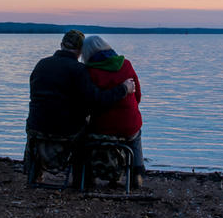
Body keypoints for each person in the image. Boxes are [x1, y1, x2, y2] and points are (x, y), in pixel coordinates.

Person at [24, 30, 135, 180]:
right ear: (81, 50)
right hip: (66, 131)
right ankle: (81, 180)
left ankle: (34, 174)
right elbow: (96, 99)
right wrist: (124, 89)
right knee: (86, 133)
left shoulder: (41, 64)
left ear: (61, 45)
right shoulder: (79, 70)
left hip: (35, 127)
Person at [81, 35, 145, 189]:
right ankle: (137, 175)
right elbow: (137, 94)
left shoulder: (89, 71)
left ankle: (88, 177)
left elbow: (90, 101)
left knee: (86, 136)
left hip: (102, 125)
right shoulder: (126, 64)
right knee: (135, 136)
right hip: (128, 123)